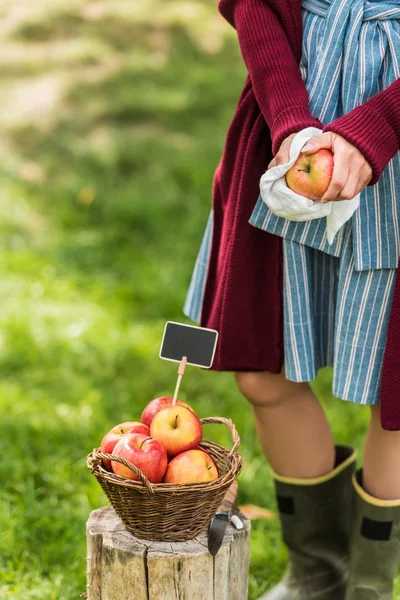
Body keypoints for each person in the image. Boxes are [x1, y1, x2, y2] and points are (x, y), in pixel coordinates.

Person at [183, 0, 400, 598]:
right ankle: (317, 573)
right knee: (262, 370)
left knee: (398, 387)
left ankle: (370, 588)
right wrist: (289, 121)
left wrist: (380, 126)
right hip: (289, 125)